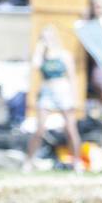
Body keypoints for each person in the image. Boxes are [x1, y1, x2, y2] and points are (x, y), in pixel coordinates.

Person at [25, 26, 83, 171]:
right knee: (39, 129)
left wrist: (74, 97)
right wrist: (40, 47)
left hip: (62, 91)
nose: (47, 40)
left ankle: (77, 161)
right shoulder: (41, 56)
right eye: (44, 37)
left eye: (49, 37)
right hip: (46, 92)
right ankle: (29, 161)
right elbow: (35, 66)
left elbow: (72, 77)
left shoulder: (64, 55)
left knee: (70, 128)